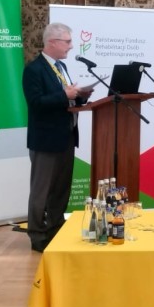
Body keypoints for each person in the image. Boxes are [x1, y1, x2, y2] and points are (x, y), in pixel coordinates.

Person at [23, 23, 92, 252]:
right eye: (67, 42)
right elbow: (36, 103)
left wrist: (80, 96)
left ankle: (56, 229)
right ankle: (37, 236)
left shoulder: (61, 66)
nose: (71, 46)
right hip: (45, 141)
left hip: (66, 137)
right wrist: (64, 94)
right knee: (41, 191)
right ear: (52, 42)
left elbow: (65, 99)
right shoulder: (34, 70)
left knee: (61, 189)